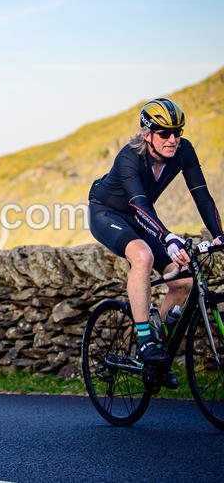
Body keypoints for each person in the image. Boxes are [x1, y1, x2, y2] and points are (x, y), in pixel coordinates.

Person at [89, 98, 223, 386]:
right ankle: (146, 340)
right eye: (164, 133)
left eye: (178, 132)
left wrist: (219, 234)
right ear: (146, 134)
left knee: (184, 282)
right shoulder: (129, 156)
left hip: (141, 215)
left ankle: (154, 349)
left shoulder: (183, 151)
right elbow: (138, 204)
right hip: (107, 212)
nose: (173, 139)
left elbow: (201, 194)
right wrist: (168, 237)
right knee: (142, 256)